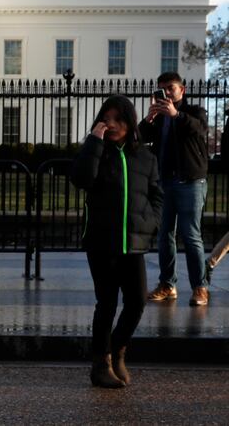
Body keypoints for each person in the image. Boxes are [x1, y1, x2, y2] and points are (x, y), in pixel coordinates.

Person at [71, 95, 163, 388]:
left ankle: (117, 350)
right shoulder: (96, 151)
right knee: (107, 303)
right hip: (101, 242)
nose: (110, 124)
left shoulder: (145, 157)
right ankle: (100, 365)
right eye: (106, 118)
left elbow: (157, 195)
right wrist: (94, 142)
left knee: (137, 301)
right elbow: (82, 179)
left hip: (134, 242)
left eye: (117, 119)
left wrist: (151, 222)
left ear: (129, 122)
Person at [139, 72, 210, 306]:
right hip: (165, 183)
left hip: (190, 182)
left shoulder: (194, 112)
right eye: (162, 89)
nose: (167, 93)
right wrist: (149, 118)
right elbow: (139, 137)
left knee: (191, 236)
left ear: (183, 90)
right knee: (164, 235)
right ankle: (167, 285)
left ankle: (200, 288)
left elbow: (197, 129)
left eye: (171, 88)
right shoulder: (159, 117)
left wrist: (176, 114)